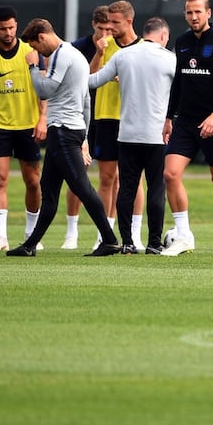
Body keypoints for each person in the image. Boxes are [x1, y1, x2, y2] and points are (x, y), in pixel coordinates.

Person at [6, 19, 119, 257]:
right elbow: (86, 100)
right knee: (49, 189)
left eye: (36, 47)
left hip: (63, 130)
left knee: (81, 187)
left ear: (42, 37)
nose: (36, 52)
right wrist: (85, 137)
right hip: (71, 129)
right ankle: (30, 246)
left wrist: (33, 67)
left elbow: (45, 90)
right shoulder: (75, 55)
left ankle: (109, 240)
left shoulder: (60, 54)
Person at [89, 17, 177, 255]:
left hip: (127, 134)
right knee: (156, 188)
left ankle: (127, 242)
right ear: (163, 36)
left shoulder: (122, 56)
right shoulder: (170, 59)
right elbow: (182, 92)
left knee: (126, 188)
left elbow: (93, 81)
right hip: (157, 135)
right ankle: (154, 243)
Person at [161, 0, 213, 258]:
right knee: (170, 173)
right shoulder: (181, 42)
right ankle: (183, 237)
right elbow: (178, 83)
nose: (194, 16)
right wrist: (169, 117)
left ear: (208, 13)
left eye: (198, 11)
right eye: (189, 12)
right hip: (185, 122)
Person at [0, 6, 45, 252]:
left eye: (12, 27)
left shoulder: (31, 52)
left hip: (28, 125)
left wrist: (42, 119)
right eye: (3, 28)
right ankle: (1, 237)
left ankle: (31, 234)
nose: (8, 32)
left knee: (33, 182)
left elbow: (42, 89)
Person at [89, 0, 145, 251]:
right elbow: (89, 79)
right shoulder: (105, 46)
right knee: (107, 178)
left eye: (114, 23)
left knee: (133, 179)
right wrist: (99, 54)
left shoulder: (145, 47)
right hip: (107, 117)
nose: (109, 28)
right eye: (107, 22)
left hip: (134, 119)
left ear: (129, 21)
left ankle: (134, 233)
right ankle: (105, 233)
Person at [62, 5, 111, 249]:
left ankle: (105, 232)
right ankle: (72, 232)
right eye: (101, 29)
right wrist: (99, 55)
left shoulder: (121, 46)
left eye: (109, 29)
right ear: (93, 25)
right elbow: (84, 80)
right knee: (77, 176)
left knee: (111, 176)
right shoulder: (77, 48)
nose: (105, 35)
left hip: (108, 116)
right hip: (81, 116)